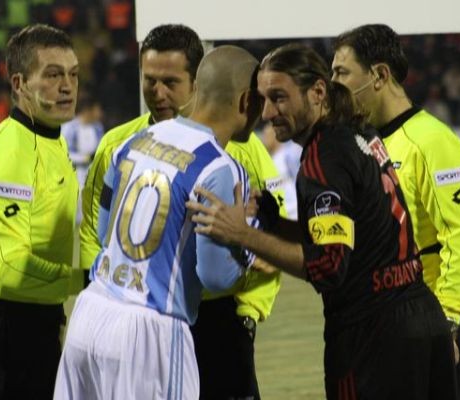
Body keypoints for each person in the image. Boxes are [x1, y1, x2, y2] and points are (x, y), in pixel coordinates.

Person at [186, 43, 457, 400]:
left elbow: (329, 266)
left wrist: (242, 234)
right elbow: (345, 235)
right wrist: (274, 222)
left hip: (373, 338)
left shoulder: (322, 158)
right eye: (263, 99)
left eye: (279, 98)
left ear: (317, 91)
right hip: (423, 320)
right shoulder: (359, 132)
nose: (267, 112)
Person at [79, 24, 285, 399]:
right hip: (158, 322)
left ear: (197, 84)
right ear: (246, 101)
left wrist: (249, 311)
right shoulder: (219, 164)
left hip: (102, 315)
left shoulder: (130, 143)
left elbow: (104, 231)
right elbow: (217, 275)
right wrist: (251, 253)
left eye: (170, 82)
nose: (158, 92)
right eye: (150, 80)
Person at [331, 24, 460, 400]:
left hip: (431, 324)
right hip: (381, 323)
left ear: (379, 75)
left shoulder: (433, 140)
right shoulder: (365, 143)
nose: (333, 86)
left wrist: (448, 319)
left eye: (342, 73)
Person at [0, 24, 85, 399]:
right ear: (19, 83)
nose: (67, 86)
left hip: (36, 320)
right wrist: (84, 281)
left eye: (73, 74)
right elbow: (12, 270)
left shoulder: (52, 140)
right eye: (53, 75)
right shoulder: (11, 153)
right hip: (1, 329)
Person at [61, 96, 104, 222]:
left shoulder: (98, 128)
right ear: (88, 111)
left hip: (92, 172)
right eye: (97, 110)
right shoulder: (70, 128)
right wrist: (85, 158)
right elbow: (64, 153)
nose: (100, 113)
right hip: (75, 173)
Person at [261, 121, 301, 219]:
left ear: (275, 135)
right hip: (281, 213)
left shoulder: (288, 155)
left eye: (267, 135)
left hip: (294, 211)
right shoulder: (269, 160)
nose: (264, 139)